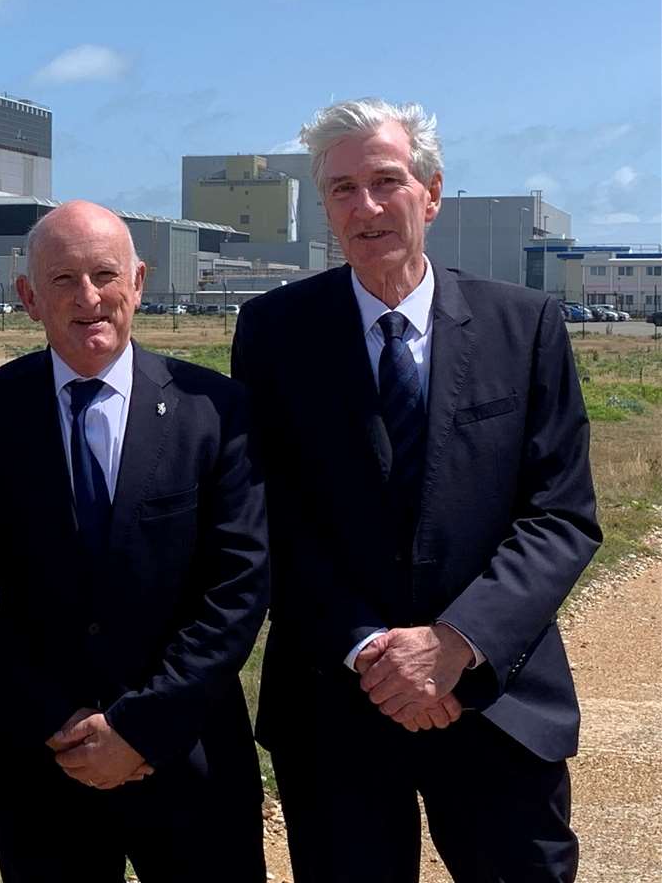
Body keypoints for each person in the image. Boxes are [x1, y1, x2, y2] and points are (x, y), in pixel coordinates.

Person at [231, 99, 601, 882]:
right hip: (336, 702)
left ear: (429, 193)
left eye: (385, 181)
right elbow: (273, 516)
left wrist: (452, 644)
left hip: (495, 697)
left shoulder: (523, 326)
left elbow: (559, 515)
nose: (364, 207)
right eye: (341, 189)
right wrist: (374, 650)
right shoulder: (273, 332)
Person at [0, 200, 269, 883]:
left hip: (187, 756)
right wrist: (55, 719)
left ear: (139, 281)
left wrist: (141, 727)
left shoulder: (212, 411)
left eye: (105, 275)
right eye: (63, 279)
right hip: (39, 760)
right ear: (27, 297)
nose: (88, 298)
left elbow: (236, 587)